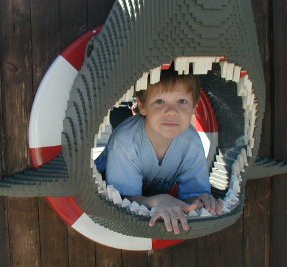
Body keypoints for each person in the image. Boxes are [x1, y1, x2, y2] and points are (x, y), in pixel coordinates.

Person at [95, 66, 223, 234]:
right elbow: (121, 200)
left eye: (182, 101)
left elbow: (192, 194)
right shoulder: (126, 142)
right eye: (160, 101)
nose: (171, 111)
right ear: (142, 106)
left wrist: (201, 201)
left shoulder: (191, 143)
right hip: (112, 189)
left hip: (154, 193)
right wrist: (157, 201)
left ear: (194, 108)